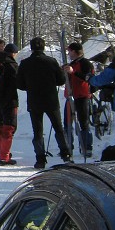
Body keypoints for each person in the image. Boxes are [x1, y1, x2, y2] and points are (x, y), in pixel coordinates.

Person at [16, 37, 72, 169]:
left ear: (31, 48)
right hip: (51, 99)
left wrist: (29, 86)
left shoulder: (25, 63)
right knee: (58, 127)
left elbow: (19, 83)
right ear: (44, 47)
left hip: (34, 100)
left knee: (38, 130)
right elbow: (61, 80)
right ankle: (66, 153)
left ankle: (40, 158)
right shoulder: (51, 61)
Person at [62, 42, 95, 157]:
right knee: (67, 123)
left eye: (70, 51)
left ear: (75, 52)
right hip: (70, 96)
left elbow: (88, 78)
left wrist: (73, 72)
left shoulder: (85, 63)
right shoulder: (72, 63)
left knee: (83, 122)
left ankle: (87, 147)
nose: (68, 53)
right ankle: (67, 147)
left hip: (82, 96)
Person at [0, 43, 20, 166]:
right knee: (9, 128)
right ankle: (4, 157)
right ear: (13, 53)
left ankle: (2, 153)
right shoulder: (12, 65)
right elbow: (19, 82)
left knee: (0, 127)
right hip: (9, 100)